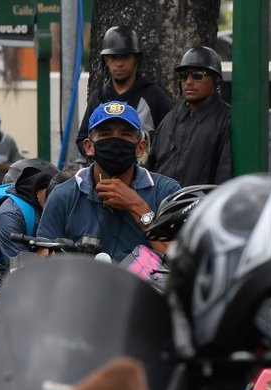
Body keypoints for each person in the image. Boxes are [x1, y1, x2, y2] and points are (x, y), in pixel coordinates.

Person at [37, 101, 181, 261]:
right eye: (106, 134)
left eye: (125, 134)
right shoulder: (63, 195)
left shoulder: (167, 192)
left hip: (142, 286)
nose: (115, 141)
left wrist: (138, 208)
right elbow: (44, 259)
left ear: (140, 148)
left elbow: (180, 261)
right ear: (89, 147)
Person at [75, 26, 173, 158]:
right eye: (114, 57)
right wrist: (101, 152)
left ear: (136, 59)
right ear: (106, 60)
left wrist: (145, 140)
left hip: (142, 175)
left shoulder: (153, 96)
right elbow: (82, 139)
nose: (119, 63)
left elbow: (171, 136)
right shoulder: (98, 98)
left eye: (125, 57)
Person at [148, 46, 233, 186]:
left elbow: (225, 177)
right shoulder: (169, 120)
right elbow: (151, 170)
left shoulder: (226, 120)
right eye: (183, 76)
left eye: (197, 75)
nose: (188, 81)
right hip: (163, 206)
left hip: (203, 206)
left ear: (216, 80)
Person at [0, 159, 60, 266]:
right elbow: (18, 266)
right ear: (39, 191)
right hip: (4, 280)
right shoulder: (10, 215)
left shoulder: (41, 206)